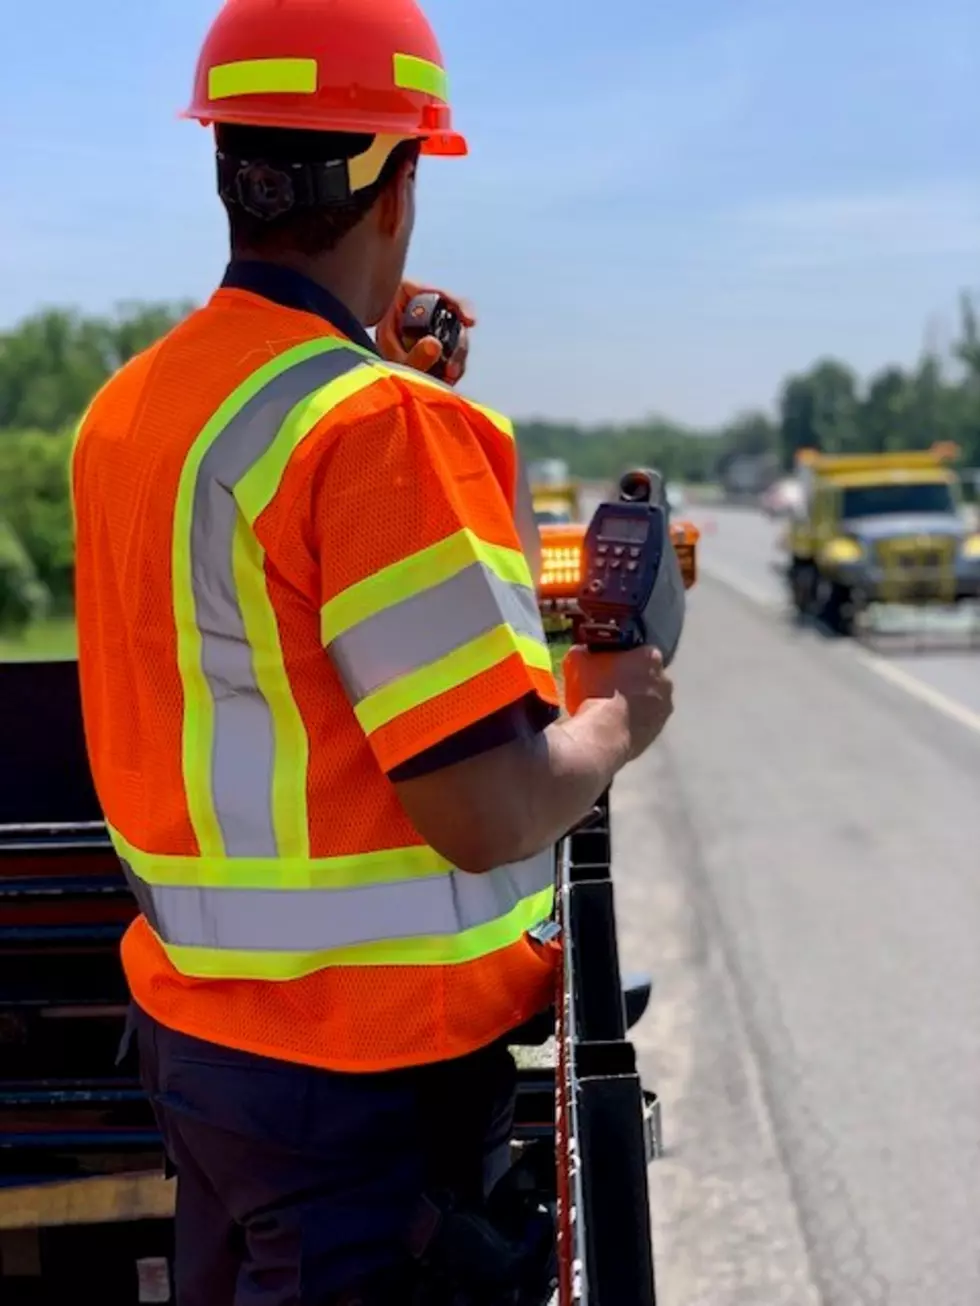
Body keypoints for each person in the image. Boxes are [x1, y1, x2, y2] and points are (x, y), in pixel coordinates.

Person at [70, 0, 675, 1301]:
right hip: (367, 1093)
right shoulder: (378, 431)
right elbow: (489, 804)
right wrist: (617, 710)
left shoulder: (134, 407)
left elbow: (256, 660)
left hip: (208, 1054)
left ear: (224, 166)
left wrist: (377, 372)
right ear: (400, 184)